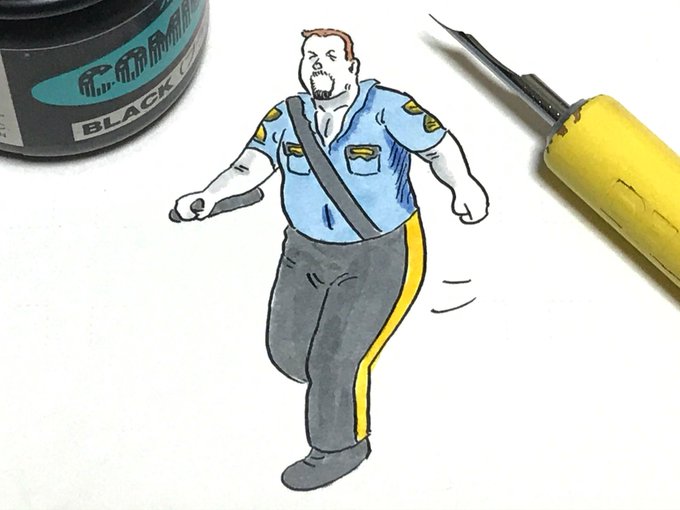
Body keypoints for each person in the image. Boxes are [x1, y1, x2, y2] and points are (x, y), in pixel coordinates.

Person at [173, 27, 489, 491]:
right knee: (288, 352)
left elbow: (437, 146)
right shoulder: (286, 116)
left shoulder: (388, 109)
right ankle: (329, 389)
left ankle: (340, 447)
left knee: (336, 360)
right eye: (310, 56)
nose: (318, 64)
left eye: (329, 56)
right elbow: (250, 165)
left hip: (379, 253)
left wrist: (463, 185)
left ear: (352, 67)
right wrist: (210, 195)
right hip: (304, 251)